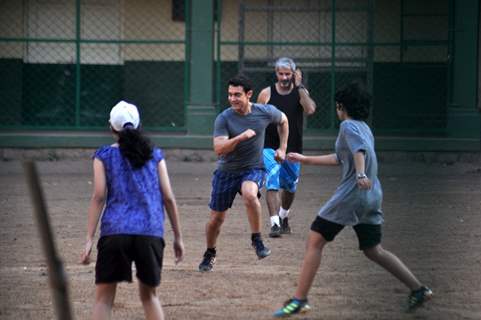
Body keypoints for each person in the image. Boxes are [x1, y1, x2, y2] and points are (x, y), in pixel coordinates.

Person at [273, 82, 432, 317]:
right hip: (372, 196)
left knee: (315, 239)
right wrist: (305, 159)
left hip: (352, 195)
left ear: (341, 106)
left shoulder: (347, 126)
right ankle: (419, 289)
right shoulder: (364, 127)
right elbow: (340, 158)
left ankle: (299, 299)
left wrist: (360, 174)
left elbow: (359, 153)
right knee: (373, 249)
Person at [80, 100, 184, 320]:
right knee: (149, 297)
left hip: (115, 231)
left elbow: (98, 196)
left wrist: (89, 238)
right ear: (139, 125)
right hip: (150, 231)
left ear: (111, 128)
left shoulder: (103, 155)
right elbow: (168, 197)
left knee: (103, 299)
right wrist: (178, 236)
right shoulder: (155, 155)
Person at [198, 74, 289, 272]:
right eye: (229, 95)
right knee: (216, 219)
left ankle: (257, 240)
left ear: (249, 95)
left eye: (237, 95)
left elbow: (283, 120)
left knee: (250, 193)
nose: (232, 99)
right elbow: (219, 148)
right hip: (226, 172)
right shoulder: (224, 118)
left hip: (253, 168)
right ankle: (210, 252)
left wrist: (282, 148)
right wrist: (239, 138)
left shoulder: (264, 112)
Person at [257, 57, 317, 238]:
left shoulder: (300, 92)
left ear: (294, 74)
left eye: (287, 74)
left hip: (293, 147)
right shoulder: (266, 93)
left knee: (290, 186)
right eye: (281, 74)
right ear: (276, 73)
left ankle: (283, 217)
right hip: (270, 145)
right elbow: (257, 118)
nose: (284, 77)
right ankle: (274, 223)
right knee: (272, 181)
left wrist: (300, 87)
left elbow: (311, 110)